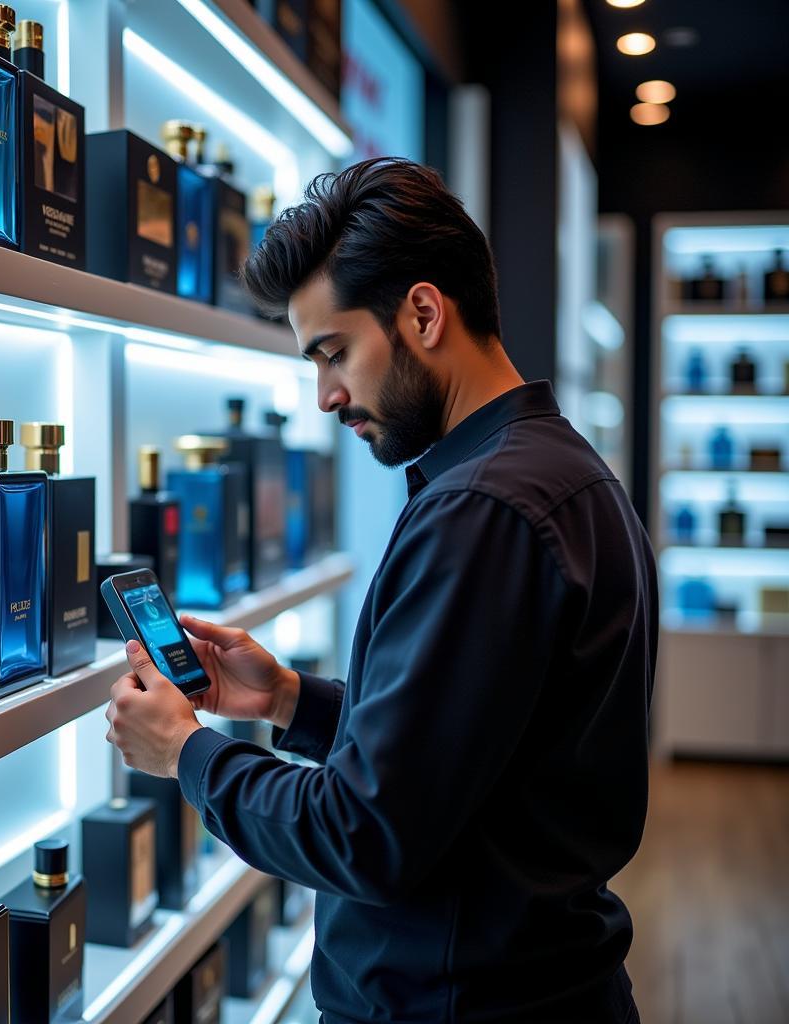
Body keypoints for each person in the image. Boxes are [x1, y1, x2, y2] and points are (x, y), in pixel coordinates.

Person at [105, 158, 657, 1024]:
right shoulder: (559, 472)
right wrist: (290, 700)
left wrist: (186, 754)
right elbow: (474, 755)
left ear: (425, 313)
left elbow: (365, 836)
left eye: (334, 352)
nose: (327, 395)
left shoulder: (481, 510)